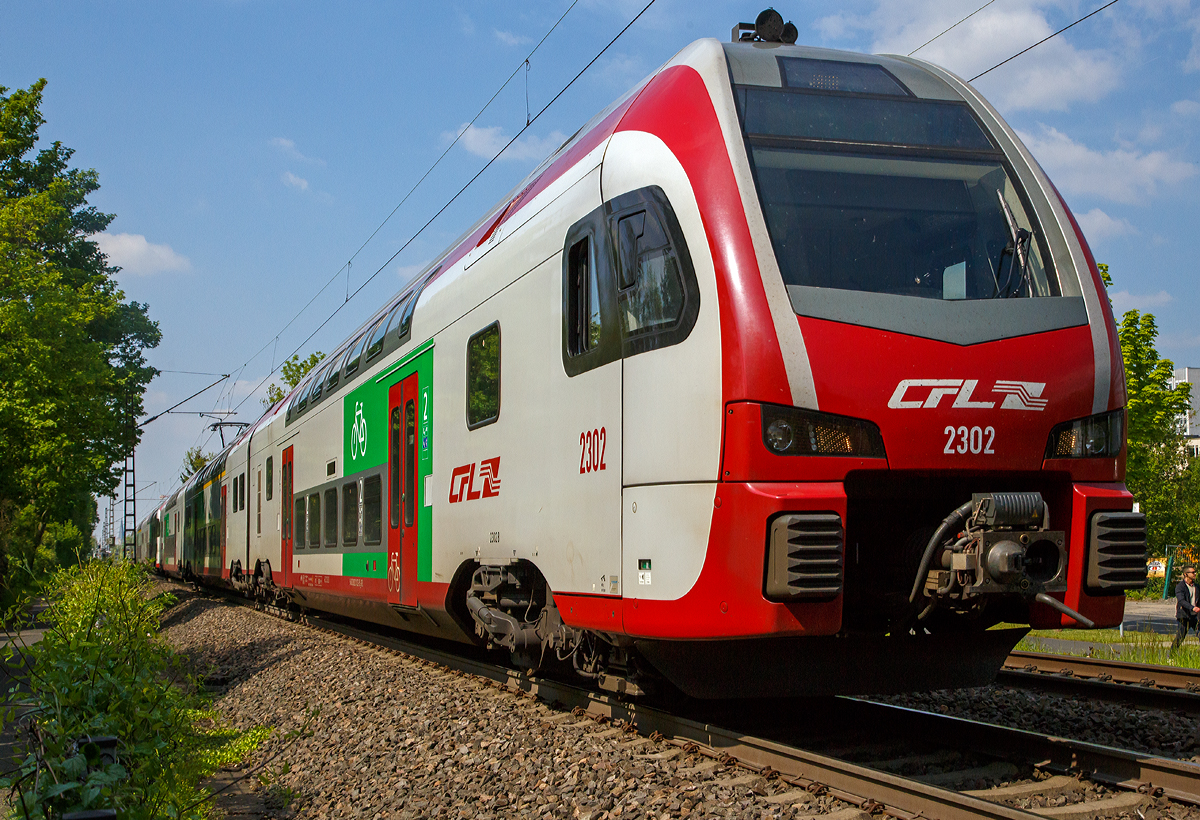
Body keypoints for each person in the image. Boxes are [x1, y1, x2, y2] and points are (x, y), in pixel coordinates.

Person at [1172, 565, 1200, 650]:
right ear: (1186, 574)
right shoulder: (1180, 587)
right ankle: (1171, 656)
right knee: (1180, 637)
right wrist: (1192, 608)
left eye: (1195, 572)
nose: (1195, 574)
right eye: (1192, 572)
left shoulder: (1197, 587)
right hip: (1184, 616)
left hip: (1195, 617)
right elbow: (1181, 601)